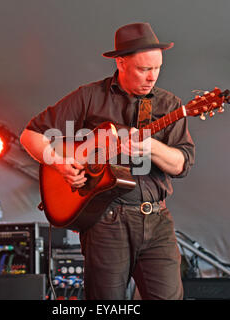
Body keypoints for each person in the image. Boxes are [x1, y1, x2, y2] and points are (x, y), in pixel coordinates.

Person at [20, 22, 195, 300]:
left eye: (157, 68)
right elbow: (31, 135)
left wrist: (151, 148)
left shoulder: (169, 105)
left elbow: (181, 164)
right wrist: (61, 164)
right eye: (144, 69)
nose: (152, 77)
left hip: (157, 219)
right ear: (121, 63)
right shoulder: (90, 97)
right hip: (105, 220)